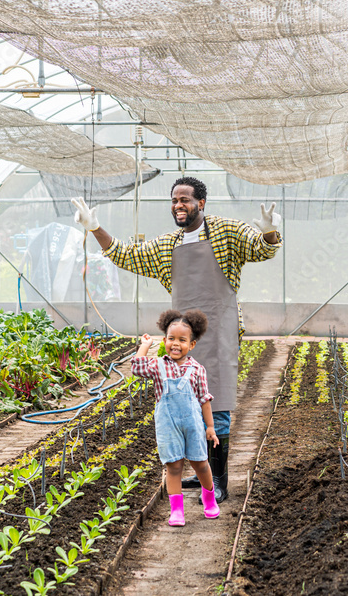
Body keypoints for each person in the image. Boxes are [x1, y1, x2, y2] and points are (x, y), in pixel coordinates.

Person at [71, 177, 281, 503]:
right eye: (174, 200)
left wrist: (269, 232)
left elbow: (260, 249)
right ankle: (203, 473)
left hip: (219, 332)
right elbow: (128, 255)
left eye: (184, 200)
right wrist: (95, 227)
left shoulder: (226, 231)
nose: (178, 206)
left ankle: (219, 482)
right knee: (186, 404)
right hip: (183, 337)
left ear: (201, 203)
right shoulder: (169, 244)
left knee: (217, 405)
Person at [131, 309, 220, 526]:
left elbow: (204, 400)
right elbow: (136, 367)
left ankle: (210, 499)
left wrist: (210, 427)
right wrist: (145, 345)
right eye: (171, 339)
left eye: (182, 340)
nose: (176, 344)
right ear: (164, 341)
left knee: (201, 463)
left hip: (193, 424)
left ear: (192, 344)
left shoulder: (197, 369)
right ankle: (177, 510)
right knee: (174, 466)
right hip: (168, 425)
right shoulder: (157, 365)